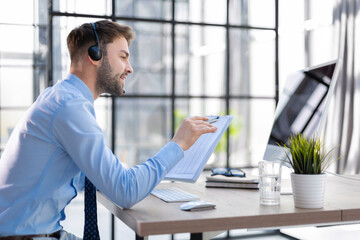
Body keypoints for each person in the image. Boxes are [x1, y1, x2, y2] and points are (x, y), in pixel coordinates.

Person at [0, 20, 217, 239]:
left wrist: (117, 173)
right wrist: (178, 144)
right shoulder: (69, 107)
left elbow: (95, 176)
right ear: (94, 55)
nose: (130, 68)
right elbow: (125, 192)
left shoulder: (61, 98)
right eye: (123, 57)